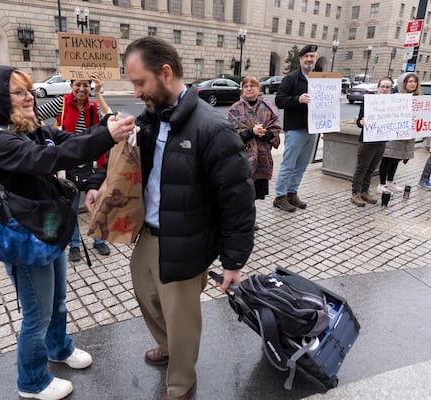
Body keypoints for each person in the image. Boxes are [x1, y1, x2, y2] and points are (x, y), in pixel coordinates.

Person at [86, 36, 255, 400]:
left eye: (139, 82)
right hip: (149, 231)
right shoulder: (148, 121)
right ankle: (167, 346)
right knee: (145, 292)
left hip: (188, 238)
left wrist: (233, 261)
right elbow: (127, 164)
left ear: (165, 73)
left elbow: (238, 201)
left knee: (182, 318)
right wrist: (102, 186)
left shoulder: (213, 129)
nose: (135, 92)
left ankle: (181, 381)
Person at [0, 65, 135, 400]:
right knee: (37, 314)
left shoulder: (31, 129)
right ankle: (31, 382)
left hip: (45, 225)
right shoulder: (2, 140)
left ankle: (59, 348)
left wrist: (105, 124)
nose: (28, 96)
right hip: (23, 237)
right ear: (0, 99)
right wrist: (107, 136)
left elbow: (70, 140)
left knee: (58, 300)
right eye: (18, 92)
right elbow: (51, 157)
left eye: (29, 90)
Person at [36, 74, 112, 260]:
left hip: (93, 163)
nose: (81, 89)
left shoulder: (93, 106)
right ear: (71, 85)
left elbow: (110, 117)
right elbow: (35, 117)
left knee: (98, 204)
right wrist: (49, 137)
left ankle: (99, 239)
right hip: (68, 164)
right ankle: (75, 244)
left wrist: (98, 93)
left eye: (86, 85)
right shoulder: (61, 103)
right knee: (71, 205)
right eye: (78, 85)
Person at [227, 75, 281, 228]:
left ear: (259, 89)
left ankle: (250, 218)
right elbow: (230, 135)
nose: (249, 89)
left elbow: (276, 130)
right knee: (242, 190)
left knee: (254, 192)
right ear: (242, 89)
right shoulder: (235, 109)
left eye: (253, 86)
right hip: (243, 158)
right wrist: (251, 132)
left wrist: (265, 134)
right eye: (246, 86)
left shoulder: (268, 106)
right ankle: (240, 218)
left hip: (262, 158)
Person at [272, 44, 319, 212]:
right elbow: (279, 100)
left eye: (312, 56)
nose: (309, 59)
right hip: (296, 129)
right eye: (306, 56)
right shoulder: (291, 78)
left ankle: (292, 193)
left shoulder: (319, 79)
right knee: (288, 164)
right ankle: (280, 196)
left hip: (312, 129)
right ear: (300, 59)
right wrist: (297, 99)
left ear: (315, 59)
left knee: (301, 165)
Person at [351, 77, 393, 206]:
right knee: (361, 168)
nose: (385, 89)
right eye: (383, 86)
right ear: (378, 88)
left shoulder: (393, 103)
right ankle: (355, 193)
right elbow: (359, 121)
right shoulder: (369, 102)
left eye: (388, 87)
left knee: (371, 168)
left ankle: (364, 191)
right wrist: (361, 122)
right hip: (368, 141)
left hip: (381, 141)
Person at [376, 72, 419, 194]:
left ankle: (390, 181)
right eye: (410, 81)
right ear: (403, 83)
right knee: (388, 157)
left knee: (396, 158)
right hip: (394, 132)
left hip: (407, 133)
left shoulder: (417, 97)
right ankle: (382, 184)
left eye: (414, 82)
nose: (413, 84)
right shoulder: (395, 97)